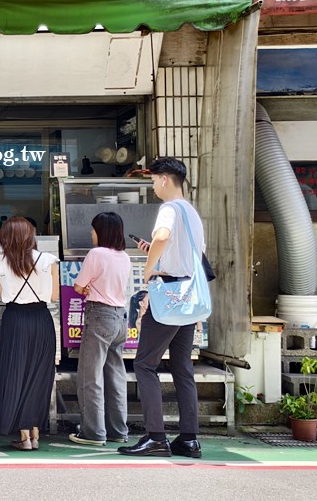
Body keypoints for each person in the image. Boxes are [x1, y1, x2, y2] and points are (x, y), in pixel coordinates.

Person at [119, 157, 206, 459]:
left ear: (165, 179)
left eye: (155, 180)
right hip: (189, 297)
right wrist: (156, 251)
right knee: (182, 366)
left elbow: (163, 236)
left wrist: (149, 267)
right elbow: (186, 251)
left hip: (168, 295)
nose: (154, 186)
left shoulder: (169, 209)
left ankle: (156, 437)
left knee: (145, 364)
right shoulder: (191, 212)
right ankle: (189, 439)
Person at [0, 216, 60, 451]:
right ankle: (35, 433)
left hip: (15, 320)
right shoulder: (49, 260)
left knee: (15, 373)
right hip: (41, 319)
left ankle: (23, 436)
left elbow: (2, 295)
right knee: (39, 375)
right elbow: (54, 296)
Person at [69, 211, 131, 447]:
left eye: (93, 229)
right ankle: (117, 430)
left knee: (90, 376)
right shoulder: (124, 256)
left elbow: (78, 286)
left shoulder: (96, 254)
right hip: (120, 318)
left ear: (102, 232)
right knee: (115, 377)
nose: (91, 233)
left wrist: (85, 289)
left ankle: (93, 432)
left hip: (99, 316)